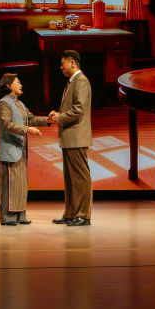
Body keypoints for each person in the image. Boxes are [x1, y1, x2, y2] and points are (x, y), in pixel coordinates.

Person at [0, 73, 49, 226]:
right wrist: (26, 129)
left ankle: (20, 215)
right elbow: (7, 124)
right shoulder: (4, 103)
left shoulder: (19, 103)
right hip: (9, 150)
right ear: (8, 85)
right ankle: (8, 217)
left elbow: (31, 118)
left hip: (20, 150)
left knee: (20, 184)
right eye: (17, 82)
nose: (21, 85)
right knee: (10, 186)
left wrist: (49, 120)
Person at [48, 50, 93, 226]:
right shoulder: (72, 81)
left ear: (73, 62)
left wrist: (59, 118)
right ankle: (70, 213)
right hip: (69, 137)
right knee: (70, 179)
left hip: (76, 136)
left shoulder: (81, 81)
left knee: (80, 178)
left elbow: (79, 109)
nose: (61, 67)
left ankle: (83, 215)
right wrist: (58, 114)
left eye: (63, 64)